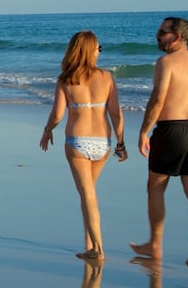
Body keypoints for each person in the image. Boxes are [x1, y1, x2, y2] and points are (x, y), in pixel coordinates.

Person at [131, 17, 188, 268]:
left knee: (156, 187)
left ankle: (154, 244)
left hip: (171, 130)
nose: (157, 35)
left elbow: (158, 99)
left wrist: (144, 131)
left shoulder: (165, 62)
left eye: (162, 32)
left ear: (177, 36)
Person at [40, 31, 126, 261]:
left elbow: (58, 114)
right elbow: (116, 113)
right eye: (99, 48)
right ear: (90, 50)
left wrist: (47, 131)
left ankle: (98, 249)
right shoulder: (106, 77)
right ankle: (89, 245)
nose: (99, 51)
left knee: (87, 194)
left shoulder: (65, 78)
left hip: (77, 142)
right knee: (88, 194)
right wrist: (121, 141)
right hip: (103, 143)